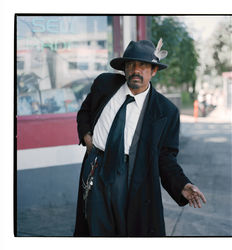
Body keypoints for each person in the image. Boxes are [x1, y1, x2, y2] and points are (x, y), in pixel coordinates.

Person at [74, 39, 206, 237]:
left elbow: (166, 157)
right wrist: (86, 135)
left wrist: (182, 185)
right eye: (131, 65)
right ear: (125, 69)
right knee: (93, 227)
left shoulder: (166, 112)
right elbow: (85, 111)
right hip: (95, 167)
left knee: (128, 230)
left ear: (153, 71)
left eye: (143, 66)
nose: (136, 70)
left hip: (131, 174)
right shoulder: (104, 84)